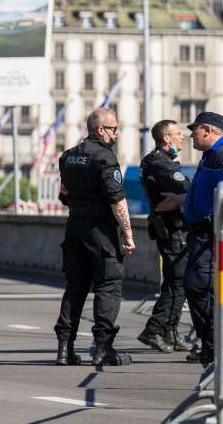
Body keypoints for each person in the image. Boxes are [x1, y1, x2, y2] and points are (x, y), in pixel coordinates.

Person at [156, 112, 223, 366]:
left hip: (211, 233)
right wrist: (179, 200)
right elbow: (206, 192)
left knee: (198, 287)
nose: (189, 135)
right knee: (197, 287)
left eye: (193, 130)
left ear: (208, 130)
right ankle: (211, 345)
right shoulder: (210, 155)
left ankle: (216, 344)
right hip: (201, 232)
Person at [53, 108, 135, 367]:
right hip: (101, 231)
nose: (116, 133)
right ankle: (103, 348)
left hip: (75, 227)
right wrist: (129, 234)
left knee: (75, 287)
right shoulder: (105, 158)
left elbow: (63, 195)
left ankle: (65, 349)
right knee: (108, 286)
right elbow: (117, 199)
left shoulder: (68, 157)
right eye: (113, 128)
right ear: (100, 129)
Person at [136, 120, 193, 353]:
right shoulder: (160, 164)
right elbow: (187, 188)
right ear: (166, 138)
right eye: (178, 134)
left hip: (172, 228)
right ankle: (154, 329)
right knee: (177, 283)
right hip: (172, 229)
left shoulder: (158, 161)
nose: (182, 137)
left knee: (176, 282)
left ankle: (171, 332)